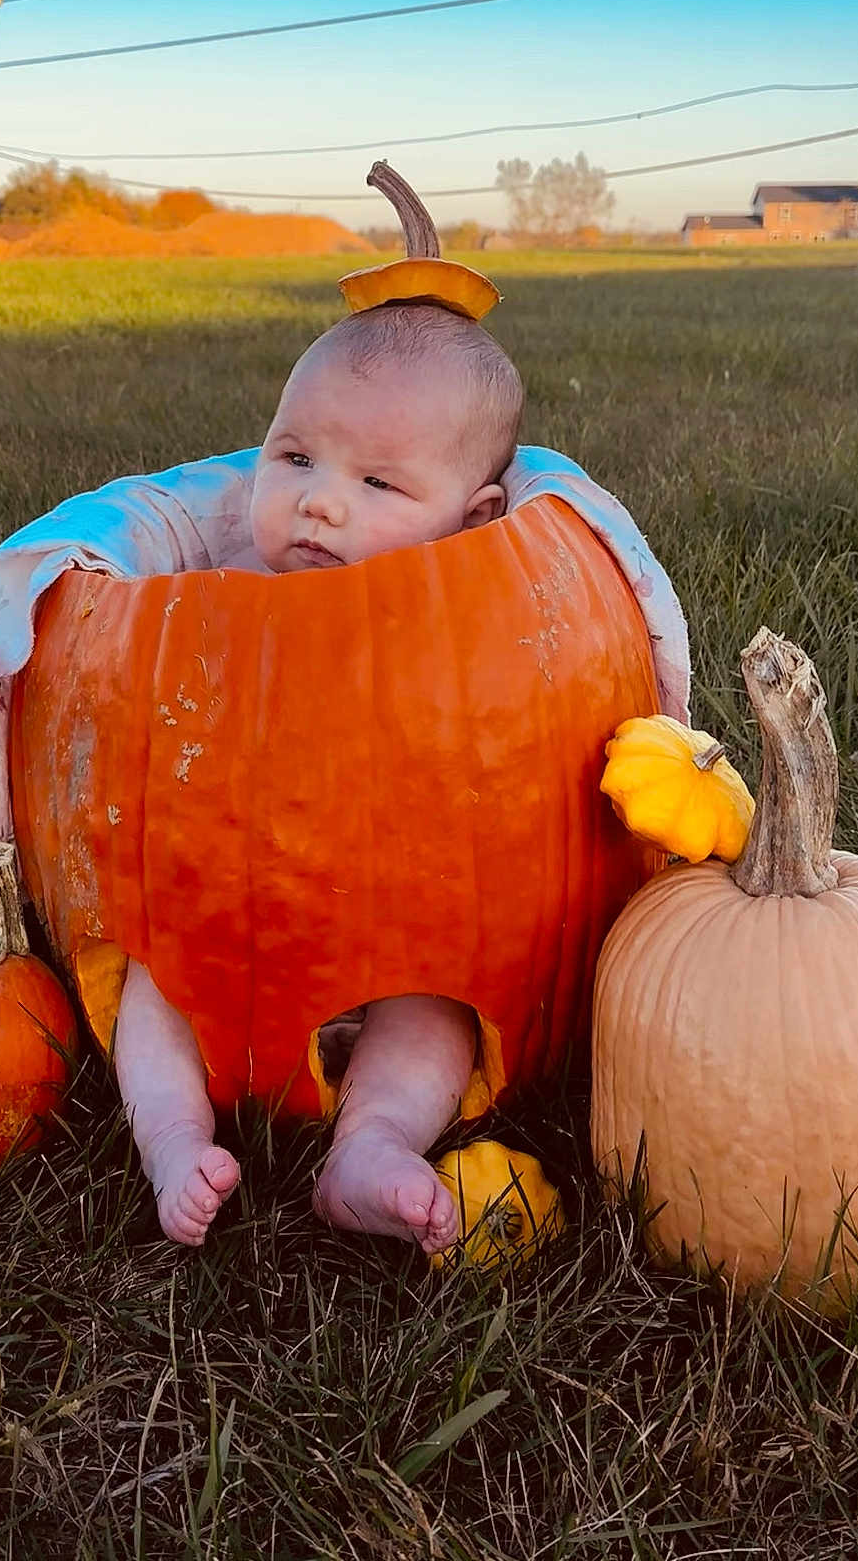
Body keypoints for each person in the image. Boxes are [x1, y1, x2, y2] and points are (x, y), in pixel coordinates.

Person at [112, 298, 526, 1252]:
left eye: (378, 481)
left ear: (473, 525)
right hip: (223, 932)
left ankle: (370, 1144)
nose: (320, 501)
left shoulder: (478, 649)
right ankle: (173, 1139)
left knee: (439, 1011)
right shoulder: (211, 606)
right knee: (149, 979)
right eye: (295, 458)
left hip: (390, 946)